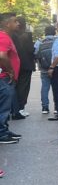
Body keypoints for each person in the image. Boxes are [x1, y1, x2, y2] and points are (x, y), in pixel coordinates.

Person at [0, 13, 21, 144]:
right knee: (3, 107)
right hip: (4, 78)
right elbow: (2, 55)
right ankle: (2, 134)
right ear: (7, 24)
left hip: (5, 78)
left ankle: (4, 130)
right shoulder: (3, 37)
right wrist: (11, 71)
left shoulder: (6, 37)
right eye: (15, 21)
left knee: (5, 107)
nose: (18, 23)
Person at [11, 17, 35, 119]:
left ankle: (14, 109)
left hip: (14, 64)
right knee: (24, 87)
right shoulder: (27, 35)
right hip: (26, 64)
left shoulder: (11, 35)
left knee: (14, 87)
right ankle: (20, 108)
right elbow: (30, 50)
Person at [35, 25, 57, 114]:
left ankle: (45, 107)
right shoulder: (57, 40)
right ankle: (57, 107)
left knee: (45, 88)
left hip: (44, 68)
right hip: (55, 68)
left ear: (45, 32)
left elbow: (35, 54)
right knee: (56, 88)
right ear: (54, 32)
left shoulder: (39, 42)